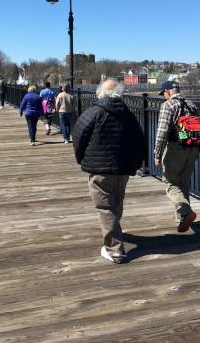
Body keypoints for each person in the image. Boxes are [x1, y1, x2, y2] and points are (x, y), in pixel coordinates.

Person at [72, 78, 145, 264]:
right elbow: (140, 141)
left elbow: (78, 136)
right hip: (123, 169)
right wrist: (136, 163)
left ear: (100, 93)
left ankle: (115, 250)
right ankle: (114, 235)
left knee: (105, 207)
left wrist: (81, 159)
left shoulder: (94, 112)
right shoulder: (129, 115)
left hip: (100, 169)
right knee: (116, 203)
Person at [154, 80, 200, 233]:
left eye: (164, 94)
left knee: (170, 183)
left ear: (168, 92)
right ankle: (181, 220)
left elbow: (161, 133)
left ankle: (185, 212)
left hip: (176, 148)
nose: (164, 97)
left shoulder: (168, 105)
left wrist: (157, 154)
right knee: (183, 183)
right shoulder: (191, 104)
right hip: (193, 148)